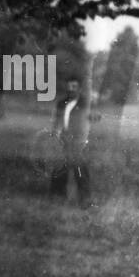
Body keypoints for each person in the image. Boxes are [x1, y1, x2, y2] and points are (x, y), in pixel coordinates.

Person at [50, 76, 92, 208]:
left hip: (78, 140)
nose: (70, 89)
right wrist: (56, 134)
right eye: (69, 87)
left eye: (74, 87)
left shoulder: (85, 103)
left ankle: (84, 198)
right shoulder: (61, 103)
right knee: (60, 168)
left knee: (80, 169)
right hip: (64, 139)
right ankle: (57, 195)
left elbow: (85, 124)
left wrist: (82, 141)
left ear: (79, 89)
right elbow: (57, 121)